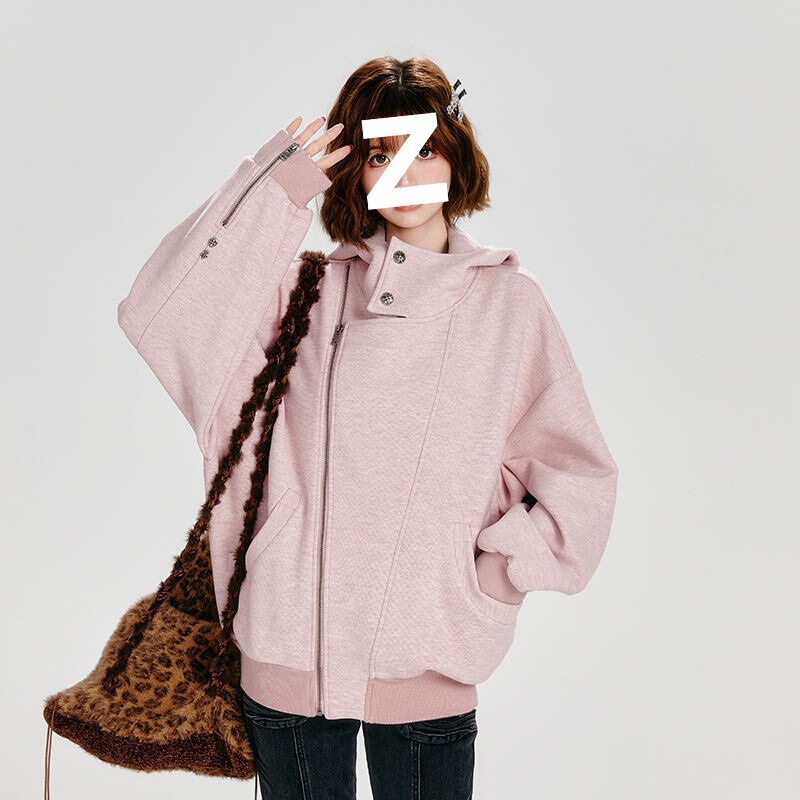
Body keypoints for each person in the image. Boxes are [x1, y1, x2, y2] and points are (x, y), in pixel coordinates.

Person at [117, 56, 619, 800]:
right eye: (381, 154)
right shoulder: (304, 295)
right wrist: (275, 190)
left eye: (426, 149)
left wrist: (487, 579)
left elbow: (578, 477)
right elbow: (161, 314)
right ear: (354, 170)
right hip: (288, 651)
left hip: (432, 653)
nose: (405, 173)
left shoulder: (508, 305)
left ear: (457, 157)